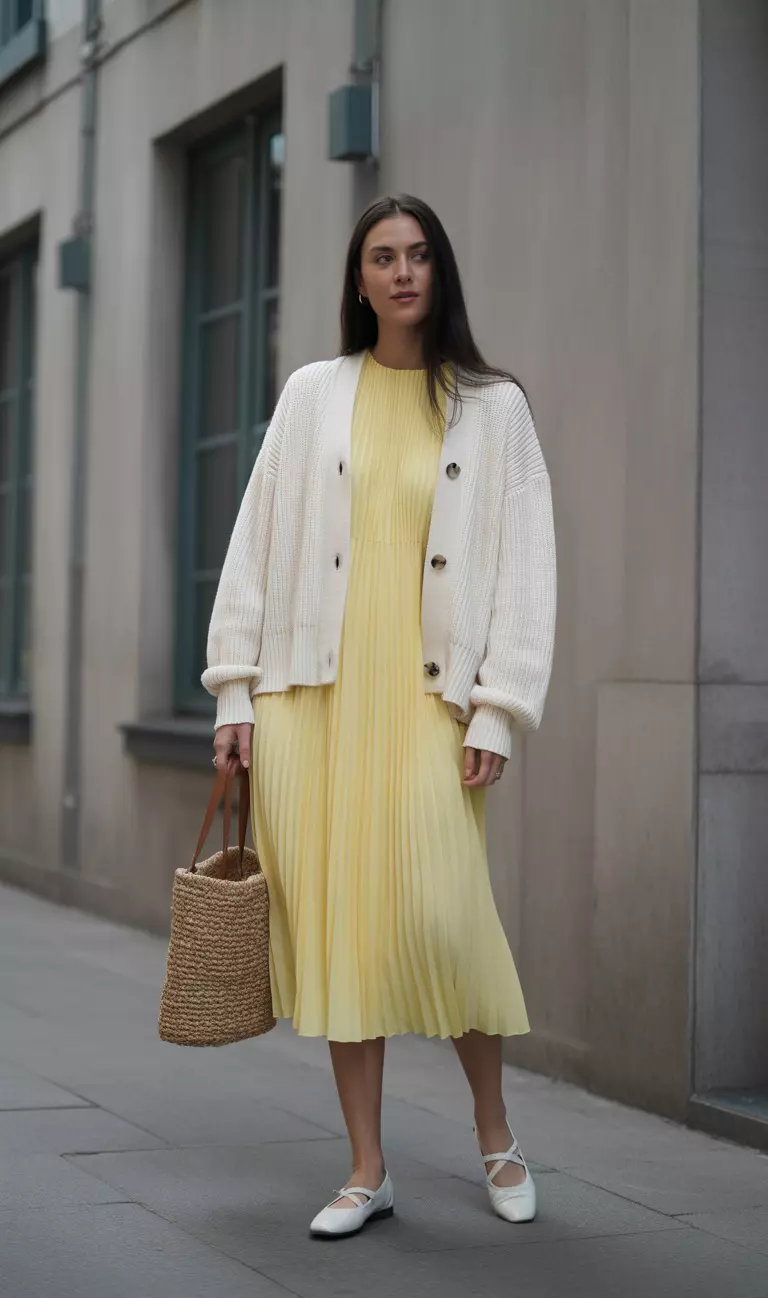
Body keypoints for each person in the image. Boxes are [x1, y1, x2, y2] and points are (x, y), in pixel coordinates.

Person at [202, 194, 556, 1239]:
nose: (402, 273)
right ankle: (367, 1167)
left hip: (425, 709)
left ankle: (497, 1135)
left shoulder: (494, 409)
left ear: (440, 273)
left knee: (446, 921)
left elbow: (527, 575)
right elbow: (256, 538)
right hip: (308, 703)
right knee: (340, 937)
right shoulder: (314, 395)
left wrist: (497, 711)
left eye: (417, 257)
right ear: (358, 281)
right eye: (382, 258)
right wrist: (235, 688)